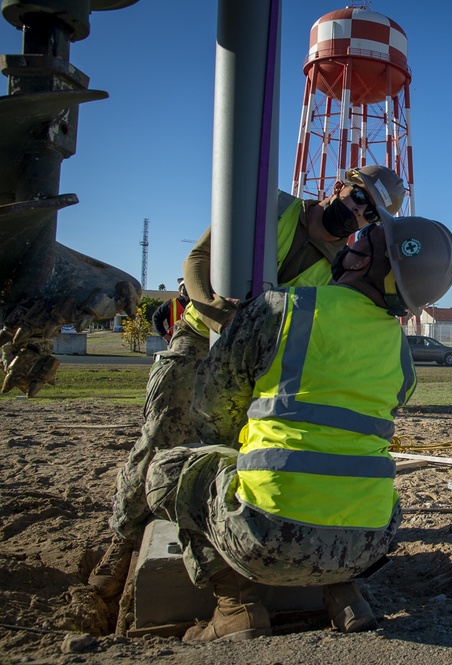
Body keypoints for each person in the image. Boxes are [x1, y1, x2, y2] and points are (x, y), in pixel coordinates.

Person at [89, 165, 407, 600]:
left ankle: (234, 572)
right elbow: (198, 259)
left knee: (241, 446)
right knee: (161, 433)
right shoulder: (269, 206)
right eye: (357, 198)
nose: (357, 214)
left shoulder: (340, 269)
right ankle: (122, 541)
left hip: (257, 363)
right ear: (339, 186)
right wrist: (217, 311)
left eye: (369, 214)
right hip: (202, 336)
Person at [143, 214, 452, 642]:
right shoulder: (401, 353)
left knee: (168, 471)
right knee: (343, 475)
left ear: (361, 262)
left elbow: (212, 413)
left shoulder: (282, 308)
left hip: (265, 539)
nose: (352, 238)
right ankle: (344, 597)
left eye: (364, 236)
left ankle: (236, 607)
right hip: (367, 545)